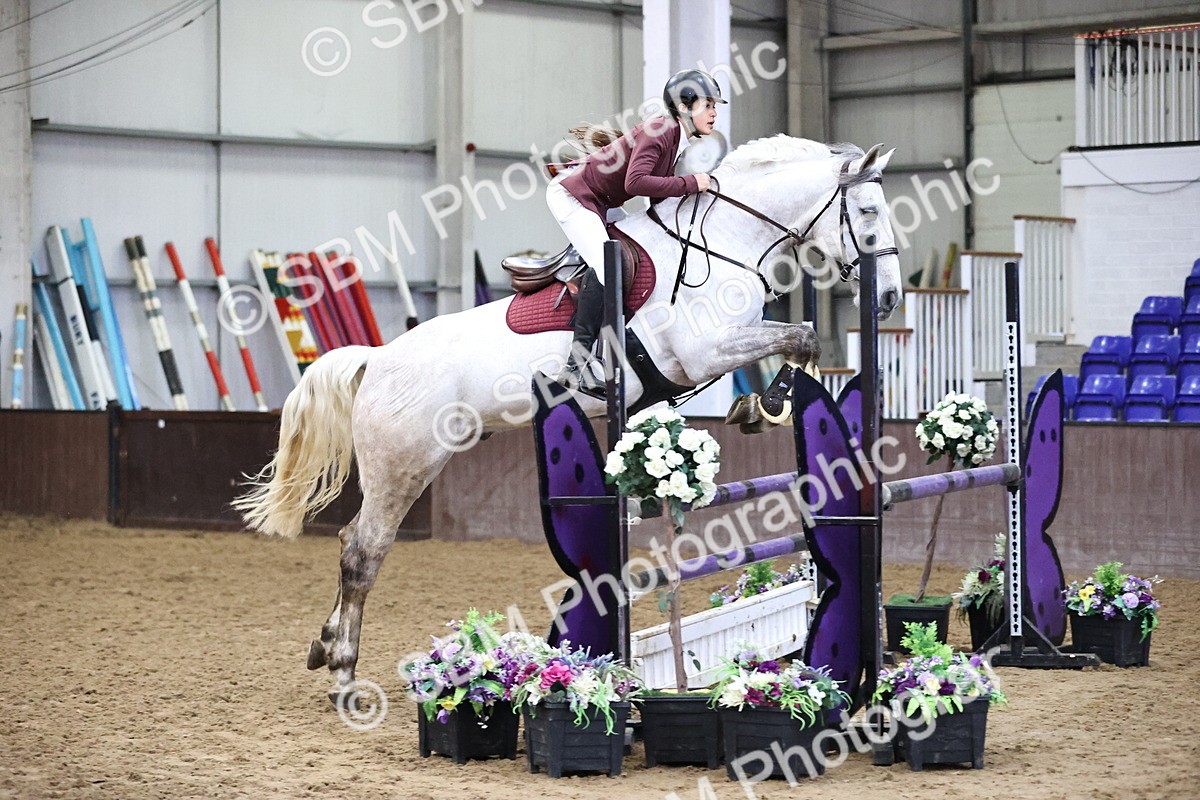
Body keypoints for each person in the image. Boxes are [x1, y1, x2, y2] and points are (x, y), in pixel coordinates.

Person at [548, 68, 726, 394]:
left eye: (716, 106)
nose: (715, 113)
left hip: (602, 200)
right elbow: (636, 183)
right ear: (685, 106)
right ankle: (578, 363)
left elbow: (657, 195)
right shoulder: (661, 129)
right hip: (574, 197)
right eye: (708, 105)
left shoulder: (674, 137)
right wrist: (690, 183)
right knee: (608, 265)